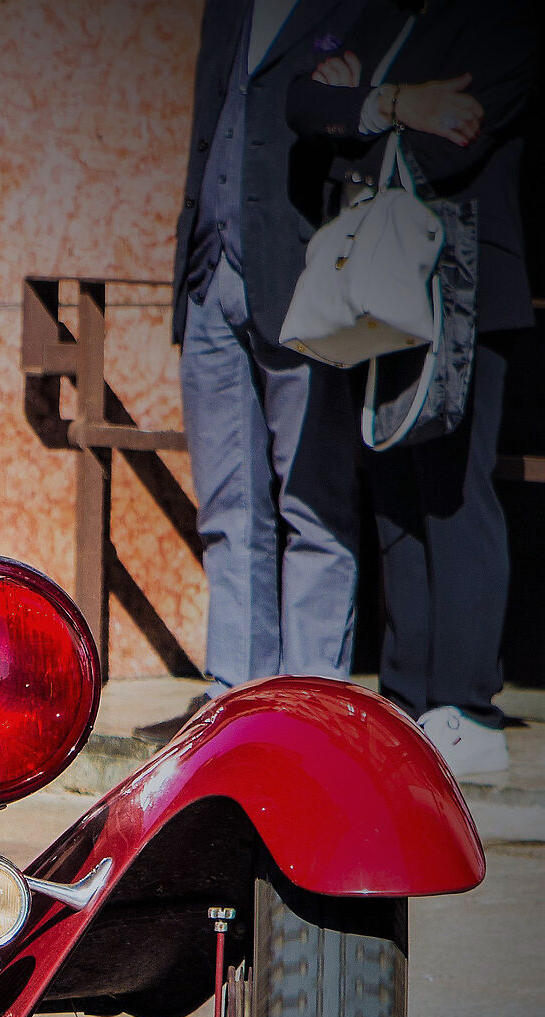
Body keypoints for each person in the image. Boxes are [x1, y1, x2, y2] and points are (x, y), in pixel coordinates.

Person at [289, 0, 536, 778]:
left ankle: (467, 709)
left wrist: (364, 110)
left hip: (462, 282)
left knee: (456, 493)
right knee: (394, 489)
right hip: (385, 287)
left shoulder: (503, 23)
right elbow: (304, 103)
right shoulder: (381, 16)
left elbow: (450, 144)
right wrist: (400, 102)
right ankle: (407, 700)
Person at [170, 0, 365, 726]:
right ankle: (235, 696)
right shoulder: (227, 10)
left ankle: (313, 703)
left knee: (313, 504)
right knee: (229, 508)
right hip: (209, 281)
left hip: (308, 283)